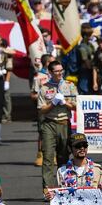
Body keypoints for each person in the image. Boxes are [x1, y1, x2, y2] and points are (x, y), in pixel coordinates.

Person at [37, 60, 78, 191]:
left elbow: (77, 105)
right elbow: (41, 109)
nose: (60, 73)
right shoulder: (44, 88)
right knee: (48, 157)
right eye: (57, 71)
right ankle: (48, 188)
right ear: (50, 72)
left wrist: (65, 102)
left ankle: (63, 187)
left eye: (61, 70)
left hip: (64, 123)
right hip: (49, 123)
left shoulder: (69, 85)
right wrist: (53, 103)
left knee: (64, 156)